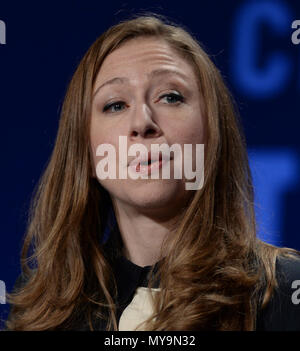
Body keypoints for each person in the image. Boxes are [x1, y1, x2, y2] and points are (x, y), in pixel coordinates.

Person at [5, 14, 300, 331]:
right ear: (86, 154)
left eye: (171, 97)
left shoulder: (284, 292)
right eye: (116, 104)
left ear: (213, 135)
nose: (142, 122)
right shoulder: (43, 306)